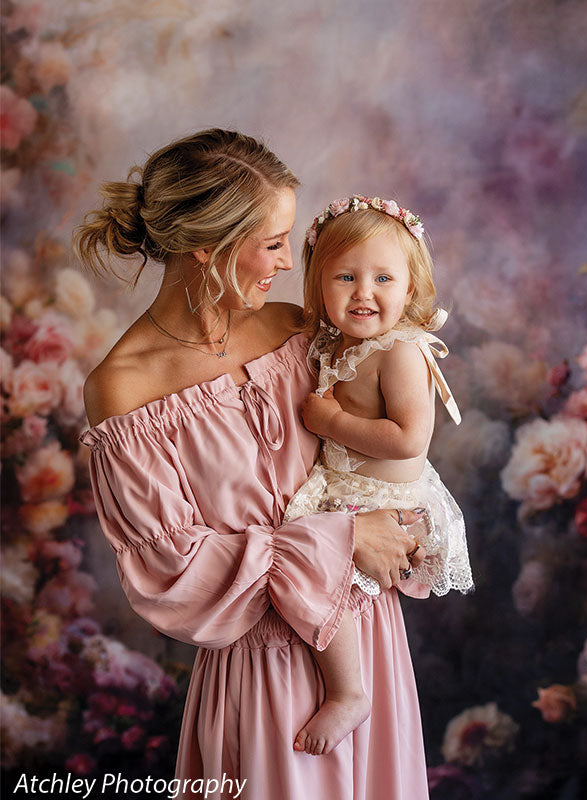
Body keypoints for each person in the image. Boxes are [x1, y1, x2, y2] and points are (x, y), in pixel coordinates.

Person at [74, 129, 432, 800]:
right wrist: (346, 537)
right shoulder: (123, 388)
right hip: (265, 667)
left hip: (364, 634)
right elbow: (171, 566)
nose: (284, 262)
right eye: (271, 243)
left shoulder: (297, 328)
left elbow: (384, 432)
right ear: (207, 247)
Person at [283, 195, 474, 757]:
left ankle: (349, 692)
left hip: (386, 499)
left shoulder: (399, 351)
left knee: (324, 567)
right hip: (348, 489)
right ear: (319, 286)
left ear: (409, 290)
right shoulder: (332, 344)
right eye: (345, 276)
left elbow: (410, 438)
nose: (364, 293)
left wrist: (334, 420)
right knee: (306, 551)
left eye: (383, 278)